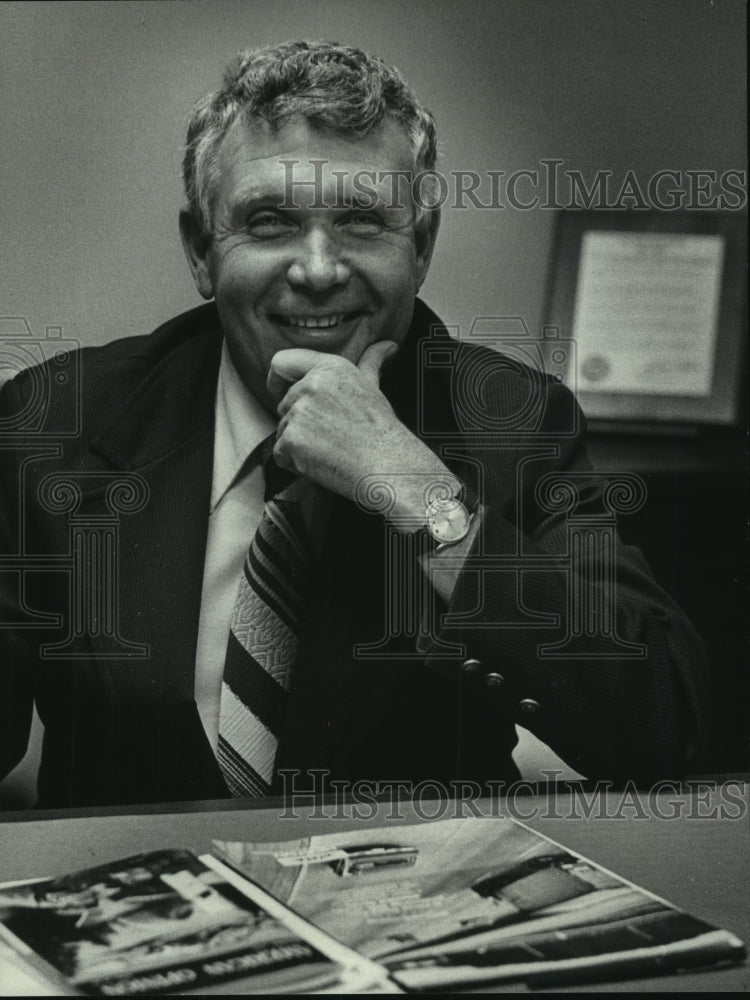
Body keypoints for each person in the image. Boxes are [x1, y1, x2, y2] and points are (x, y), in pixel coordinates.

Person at [0, 41, 708, 809]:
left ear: (422, 247)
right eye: (269, 221)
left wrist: (415, 489)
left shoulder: (512, 422)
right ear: (203, 251)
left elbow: (660, 720)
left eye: (363, 222)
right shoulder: (58, 423)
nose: (317, 268)